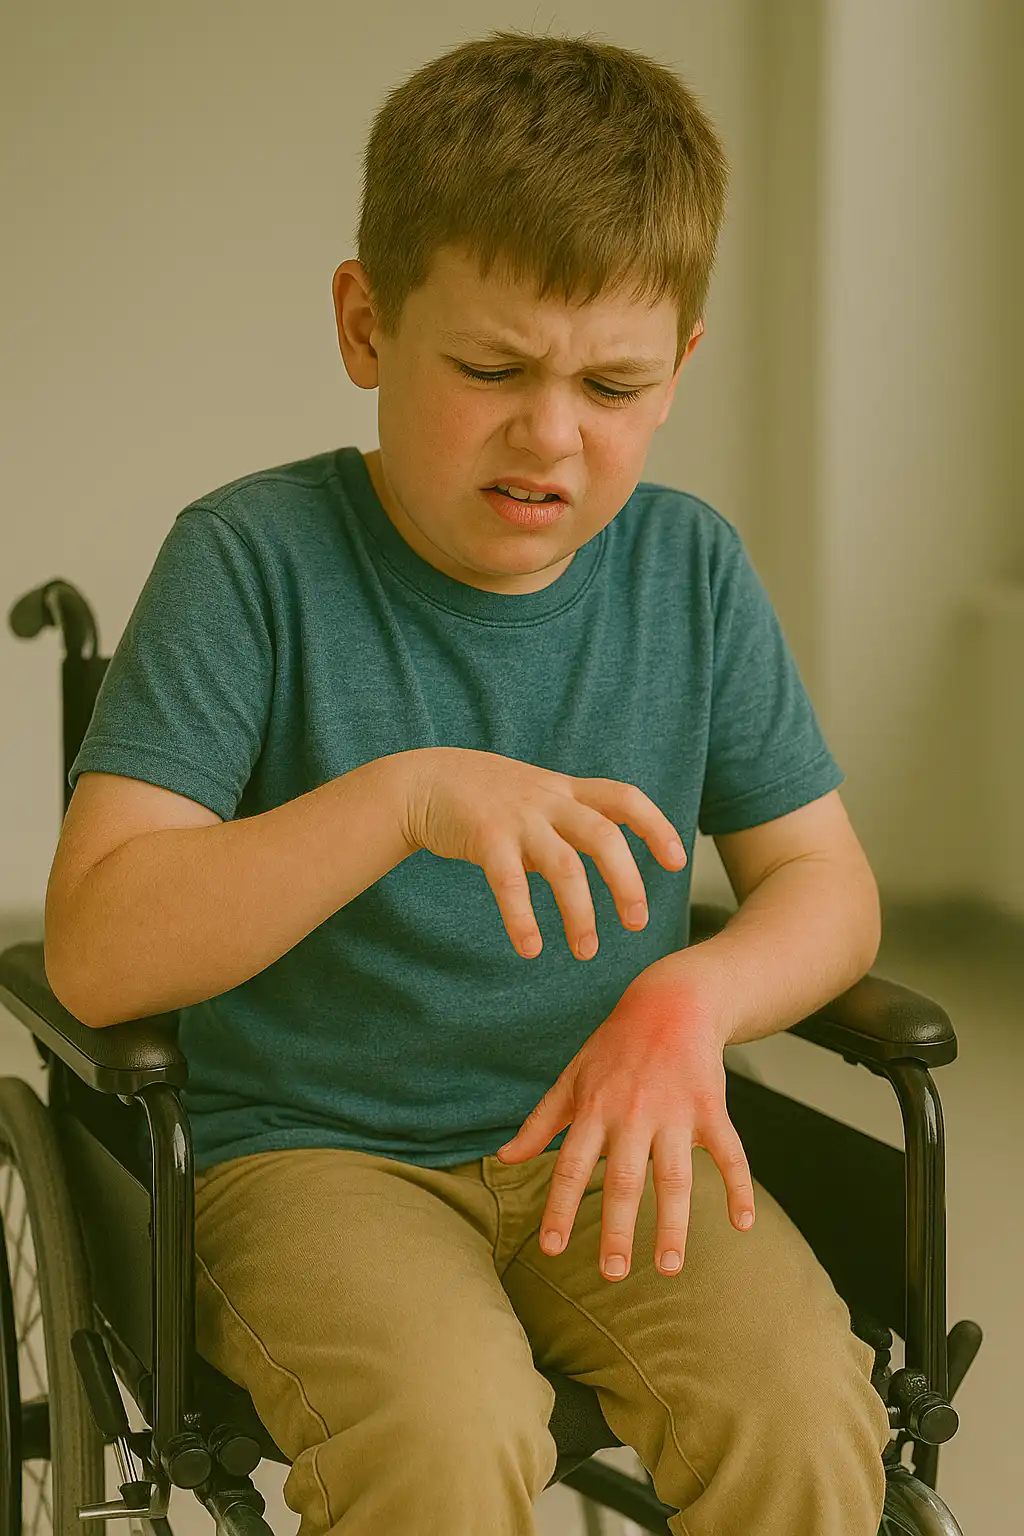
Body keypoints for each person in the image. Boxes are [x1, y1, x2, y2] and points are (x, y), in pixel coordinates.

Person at [53, 26, 892, 1535]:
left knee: (805, 1417)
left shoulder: (689, 569)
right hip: (315, 1159)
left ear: (681, 368)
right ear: (366, 324)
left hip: (614, 1132)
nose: (553, 434)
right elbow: (102, 955)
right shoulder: (250, 563)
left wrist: (691, 998)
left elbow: (827, 887)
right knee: (444, 1439)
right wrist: (402, 795)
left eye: (616, 384)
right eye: (492, 367)